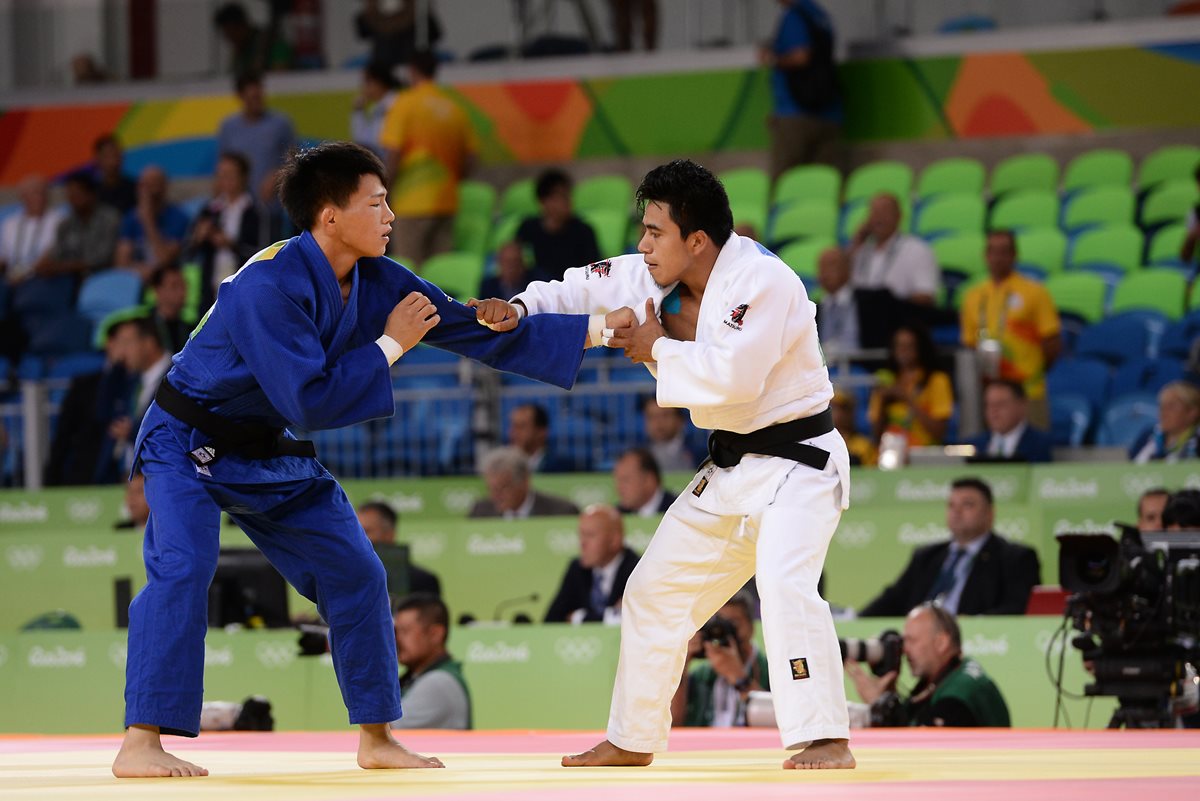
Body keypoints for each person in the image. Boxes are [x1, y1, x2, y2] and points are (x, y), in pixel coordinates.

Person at [110, 141, 591, 778]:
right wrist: (391, 344)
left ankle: (377, 736)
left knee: (358, 571)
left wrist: (601, 330)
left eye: (388, 202)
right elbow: (307, 401)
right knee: (183, 566)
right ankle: (140, 742)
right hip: (184, 438)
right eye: (376, 203)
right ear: (330, 215)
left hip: (259, 444)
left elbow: (466, 327)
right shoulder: (264, 285)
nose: (390, 215)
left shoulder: (378, 277)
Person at [472, 159, 855, 769]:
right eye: (644, 230)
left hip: (798, 463)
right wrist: (519, 307)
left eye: (656, 232)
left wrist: (658, 347)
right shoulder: (649, 274)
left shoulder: (764, 281)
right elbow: (577, 287)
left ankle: (825, 736)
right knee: (652, 592)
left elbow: (735, 378)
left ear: (696, 240)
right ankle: (633, 738)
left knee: (785, 584)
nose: (644, 245)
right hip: (729, 466)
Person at [859, 477, 1041, 617]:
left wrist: (975, 622)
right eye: (951, 505)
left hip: (978, 641)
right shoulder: (927, 556)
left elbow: (1018, 608)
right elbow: (894, 599)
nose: (957, 512)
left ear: (990, 513)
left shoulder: (1014, 558)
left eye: (967, 505)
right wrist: (856, 620)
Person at [380, 49, 478, 266]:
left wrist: (383, 190)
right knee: (440, 275)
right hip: (447, 203)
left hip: (411, 203)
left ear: (412, 71)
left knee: (409, 273)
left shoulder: (404, 104)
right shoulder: (454, 108)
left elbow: (394, 154)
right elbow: (472, 158)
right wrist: (454, 182)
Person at [845, 603, 1011, 727]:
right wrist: (889, 694)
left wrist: (878, 703)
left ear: (941, 642)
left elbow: (920, 748)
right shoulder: (949, 675)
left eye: (912, 641)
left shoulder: (958, 695)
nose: (904, 649)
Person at [959, 229, 1062, 428]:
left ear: (1014, 255)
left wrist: (1032, 371)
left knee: (1032, 444)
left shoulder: (1035, 292)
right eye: (992, 251)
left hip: (1028, 391)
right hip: (990, 393)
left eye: (1004, 252)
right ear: (985, 255)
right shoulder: (972, 296)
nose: (998, 258)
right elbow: (969, 345)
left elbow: (1052, 342)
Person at [43, 318, 136, 486]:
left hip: (132, 477)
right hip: (88, 477)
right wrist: (51, 481)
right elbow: (64, 437)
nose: (129, 349)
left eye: (134, 342)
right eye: (124, 341)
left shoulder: (142, 384)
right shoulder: (84, 385)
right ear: (109, 343)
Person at [760, 0, 841, 180]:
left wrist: (772, 59)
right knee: (824, 182)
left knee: (784, 182)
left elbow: (801, 56)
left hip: (795, 113)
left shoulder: (793, 17)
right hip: (829, 111)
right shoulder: (819, 15)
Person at [671, 591, 769, 728]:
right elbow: (673, 723)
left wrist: (738, 677)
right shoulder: (701, 676)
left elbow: (777, 718)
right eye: (718, 623)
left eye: (733, 623)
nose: (725, 630)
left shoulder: (771, 672)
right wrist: (681, 663)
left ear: (751, 626)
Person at [187, 152, 267, 309]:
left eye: (230, 174)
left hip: (244, 290)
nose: (224, 179)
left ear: (244, 177)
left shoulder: (255, 212)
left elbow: (262, 253)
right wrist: (198, 238)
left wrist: (231, 245)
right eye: (220, 174)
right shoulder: (210, 210)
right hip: (211, 292)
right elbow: (188, 252)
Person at [544, 504, 640, 623]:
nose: (582, 543)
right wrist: (610, 616)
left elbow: (636, 620)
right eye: (581, 535)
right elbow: (552, 621)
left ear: (614, 540)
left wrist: (579, 617)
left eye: (590, 535)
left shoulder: (638, 570)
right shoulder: (577, 569)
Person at [391, 593, 471, 730]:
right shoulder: (418, 678)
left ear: (435, 634)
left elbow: (379, 733)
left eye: (404, 631)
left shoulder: (438, 682)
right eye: (395, 631)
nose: (396, 639)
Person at [868, 322, 953, 448]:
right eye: (899, 345)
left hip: (924, 453)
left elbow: (939, 432)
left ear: (920, 348)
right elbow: (875, 436)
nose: (903, 351)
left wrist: (907, 399)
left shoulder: (937, 380)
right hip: (891, 453)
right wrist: (883, 403)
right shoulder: (885, 380)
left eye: (909, 346)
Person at [217, 73, 296, 207]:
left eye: (258, 97)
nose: (256, 103)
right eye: (251, 98)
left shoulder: (280, 124)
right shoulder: (229, 127)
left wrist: (277, 176)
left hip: (272, 206)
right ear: (240, 97)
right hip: (240, 208)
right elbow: (223, 167)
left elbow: (295, 162)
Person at [848, 194, 939, 306]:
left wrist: (891, 307)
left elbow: (926, 296)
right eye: (874, 213)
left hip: (898, 314)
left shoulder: (918, 250)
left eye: (884, 212)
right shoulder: (860, 250)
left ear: (899, 216)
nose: (878, 218)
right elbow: (840, 290)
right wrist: (855, 244)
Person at [31, 170, 121, 282]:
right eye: (70, 195)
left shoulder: (110, 218)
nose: (72, 199)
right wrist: (46, 264)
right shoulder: (65, 225)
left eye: (77, 195)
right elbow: (57, 254)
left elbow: (103, 258)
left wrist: (63, 267)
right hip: (68, 280)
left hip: (103, 278)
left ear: (91, 194)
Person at [515, 168, 601, 281]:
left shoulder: (583, 231)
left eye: (568, 195)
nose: (568, 201)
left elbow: (592, 272)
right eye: (561, 196)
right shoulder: (528, 228)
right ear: (544, 201)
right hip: (536, 287)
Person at [113, 166, 190, 282]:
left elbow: (165, 259)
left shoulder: (178, 218)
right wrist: (139, 270)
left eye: (152, 184)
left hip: (167, 282)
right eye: (143, 185)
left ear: (164, 187)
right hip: (135, 278)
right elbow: (121, 263)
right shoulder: (131, 217)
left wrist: (147, 220)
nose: (146, 191)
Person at [356, 500, 442, 596]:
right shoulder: (348, 578)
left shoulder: (423, 582)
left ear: (389, 534)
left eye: (366, 531)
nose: (358, 538)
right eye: (356, 531)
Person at [467, 446, 580, 519]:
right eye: (492, 489)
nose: (496, 496)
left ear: (524, 482)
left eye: (503, 488)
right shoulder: (480, 512)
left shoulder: (561, 512)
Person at [962, 379, 1053, 463]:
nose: (993, 411)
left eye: (1000, 404)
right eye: (989, 404)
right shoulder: (971, 446)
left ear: (1022, 405)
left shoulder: (1044, 446)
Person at [0, 176, 66, 285]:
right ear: (22, 197)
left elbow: (52, 254)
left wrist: (25, 272)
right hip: (11, 275)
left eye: (42, 193)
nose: (39, 198)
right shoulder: (10, 223)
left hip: (43, 276)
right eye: (34, 193)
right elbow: (3, 255)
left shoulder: (59, 221)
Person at [355, 0, 442, 72]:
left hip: (411, 66)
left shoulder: (421, 13)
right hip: (387, 68)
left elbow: (434, 34)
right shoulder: (369, 15)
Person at [1129, 381, 1200, 463]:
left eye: (1171, 407)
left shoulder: (1198, 441)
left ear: (1192, 412)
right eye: (1162, 407)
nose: (1163, 413)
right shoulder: (1147, 436)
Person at [212, 2, 290, 75]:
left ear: (240, 27)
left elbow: (280, 75)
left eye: (230, 34)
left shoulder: (272, 44)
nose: (229, 39)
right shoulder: (240, 52)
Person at [351, 61, 403, 161]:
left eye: (367, 82)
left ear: (378, 82)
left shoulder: (397, 103)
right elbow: (362, 142)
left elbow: (391, 145)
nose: (363, 87)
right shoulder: (376, 109)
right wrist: (358, 111)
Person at [640, 395, 705, 472]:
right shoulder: (638, 456)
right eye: (652, 416)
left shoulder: (700, 454)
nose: (658, 422)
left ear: (680, 419)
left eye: (665, 415)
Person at [507, 402, 573, 472]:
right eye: (513, 426)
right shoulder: (505, 466)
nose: (513, 432)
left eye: (521, 426)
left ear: (542, 432)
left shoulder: (562, 468)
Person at [613, 446, 676, 516]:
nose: (619, 488)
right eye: (618, 481)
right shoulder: (617, 515)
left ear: (649, 481)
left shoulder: (678, 511)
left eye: (626, 480)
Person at [478, 240, 547, 300]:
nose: (511, 267)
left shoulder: (536, 285)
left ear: (523, 263)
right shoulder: (488, 287)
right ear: (499, 262)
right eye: (507, 262)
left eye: (516, 261)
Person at [146, 266, 191, 355]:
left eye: (183, 286)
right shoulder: (145, 329)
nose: (181, 292)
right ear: (158, 290)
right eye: (174, 286)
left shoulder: (191, 329)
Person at [92, 134, 138, 215]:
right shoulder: (92, 192)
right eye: (107, 156)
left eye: (116, 154)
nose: (113, 161)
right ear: (97, 159)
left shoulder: (135, 187)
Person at [831, 391, 875, 467]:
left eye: (843, 409)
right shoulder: (821, 442)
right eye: (833, 408)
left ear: (851, 413)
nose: (838, 414)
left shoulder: (863, 445)